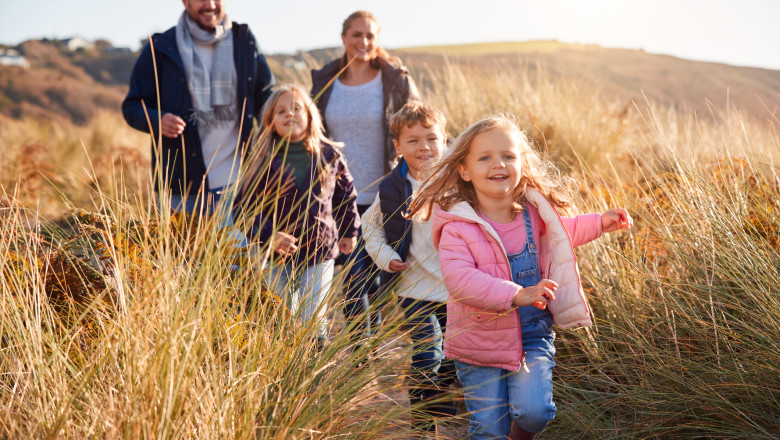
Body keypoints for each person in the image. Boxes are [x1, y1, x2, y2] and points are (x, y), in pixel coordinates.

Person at [409, 115, 633, 439]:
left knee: (535, 413)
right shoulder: (457, 226)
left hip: (531, 334)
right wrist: (516, 293)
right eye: (484, 157)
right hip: (478, 341)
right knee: (488, 428)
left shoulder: (533, 213)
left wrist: (600, 223)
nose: (497, 163)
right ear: (464, 170)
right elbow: (460, 279)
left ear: (522, 163)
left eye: (508, 156)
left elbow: (562, 231)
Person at [310, 10, 420, 342]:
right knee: (354, 278)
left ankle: (363, 356)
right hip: (336, 198)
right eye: (357, 35)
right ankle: (361, 356)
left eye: (370, 36)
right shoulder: (325, 81)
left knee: (365, 280)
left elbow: (418, 124)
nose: (364, 42)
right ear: (344, 38)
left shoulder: (394, 80)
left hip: (382, 196)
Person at [122, 0, 274, 231]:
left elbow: (266, 97)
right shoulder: (161, 46)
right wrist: (157, 120)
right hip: (182, 185)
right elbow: (133, 106)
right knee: (185, 264)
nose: (210, 5)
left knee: (239, 263)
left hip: (240, 183)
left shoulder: (244, 40)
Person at [233, 84, 359, 347]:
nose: (290, 114)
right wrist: (269, 236)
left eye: (296, 108)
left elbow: (346, 195)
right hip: (273, 255)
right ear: (270, 121)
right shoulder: (261, 160)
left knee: (313, 315)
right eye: (281, 111)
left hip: (319, 250)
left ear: (310, 115)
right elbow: (242, 210)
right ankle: (284, 373)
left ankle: (312, 370)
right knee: (279, 314)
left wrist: (349, 230)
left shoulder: (329, 155)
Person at [360, 102, 455, 431]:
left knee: (453, 357)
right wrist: (386, 257)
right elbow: (369, 228)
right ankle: (422, 427)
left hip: (458, 288)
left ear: (445, 140)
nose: (424, 147)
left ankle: (438, 400)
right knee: (427, 353)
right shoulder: (392, 187)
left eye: (431, 138)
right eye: (413, 140)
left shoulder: (462, 181)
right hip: (414, 288)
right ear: (398, 147)